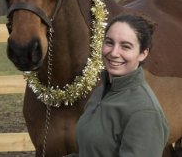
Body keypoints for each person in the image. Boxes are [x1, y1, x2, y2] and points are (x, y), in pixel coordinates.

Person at [64, 14, 169, 157]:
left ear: (143, 53)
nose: (114, 53)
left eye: (126, 46)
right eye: (109, 42)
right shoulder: (100, 93)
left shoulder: (145, 112)